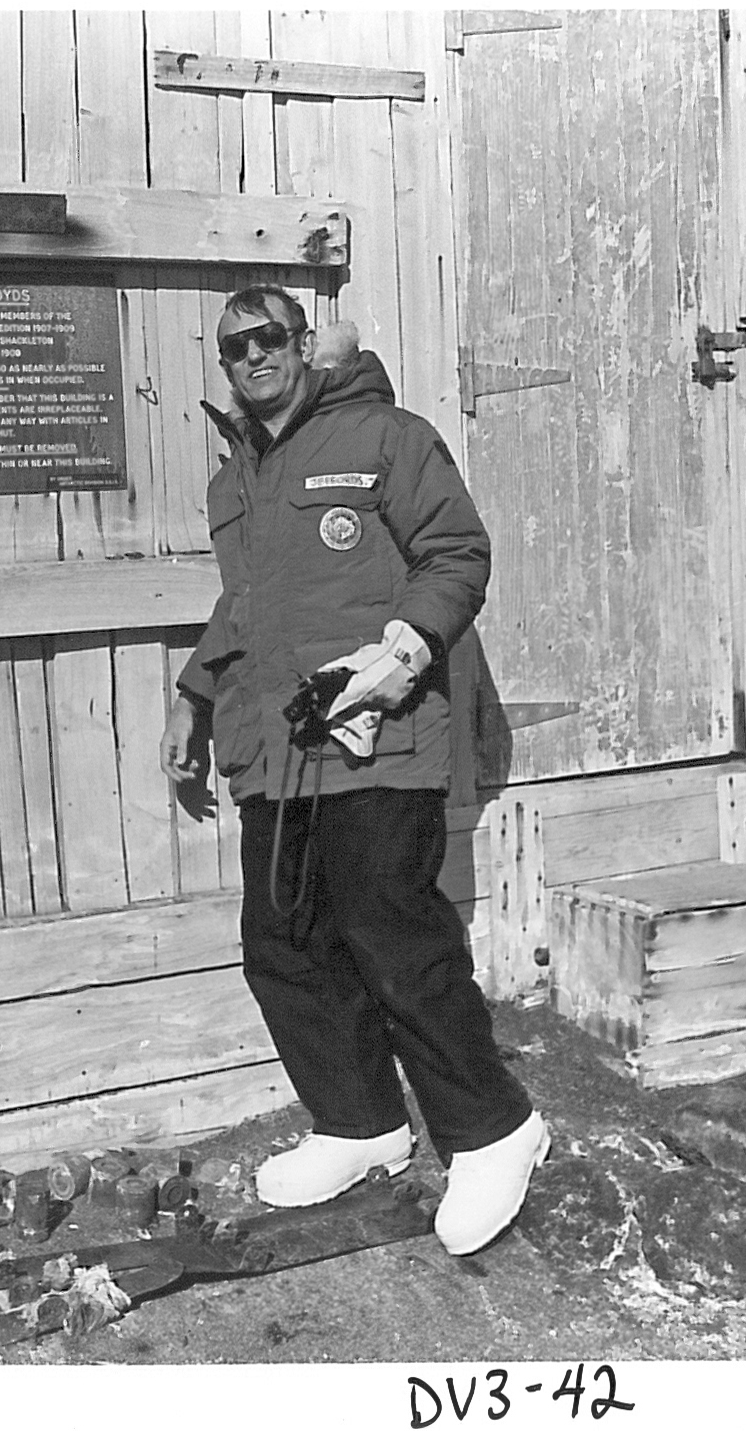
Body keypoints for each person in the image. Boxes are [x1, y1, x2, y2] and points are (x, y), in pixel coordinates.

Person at [160, 285, 546, 1256]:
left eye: (270, 337)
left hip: (379, 739)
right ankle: (360, 1123)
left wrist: (406, 651)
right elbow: (244, 609)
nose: (253, 357)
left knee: (392, 936)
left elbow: (455, 554)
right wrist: (194, 697)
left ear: (304, 345)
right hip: (276, 754)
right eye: (235, 346)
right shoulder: (235, 479)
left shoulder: (386, 439)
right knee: (283, 945)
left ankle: (495, 1130)